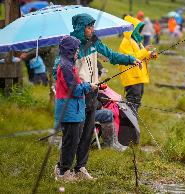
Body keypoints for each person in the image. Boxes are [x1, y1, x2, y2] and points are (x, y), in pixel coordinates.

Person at [53, 13, 141, 179]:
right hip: (78, 96)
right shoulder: (71, 46)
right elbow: (57, 71)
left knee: (87, 135)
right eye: (89, 26)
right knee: (75, 136)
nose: (92, 29)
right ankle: (63, 169)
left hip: (93, 93)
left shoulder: (94, 41)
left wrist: (131, 59)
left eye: (93, 26)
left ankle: (80, 168)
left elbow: (112, 55)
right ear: (81, 27)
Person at [54, 35, 96, 181]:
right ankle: (63, 173)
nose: (78, 51)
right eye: (76, 49)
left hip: (74, 110)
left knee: (71, 142)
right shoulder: (65, 66)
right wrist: (88, 86)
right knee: (70, 143)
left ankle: (62, 169)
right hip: (69, 111)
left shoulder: (68, 65)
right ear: (70, 49)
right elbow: (74, 90)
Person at [118, 15, 157, 114]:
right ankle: (128, 123)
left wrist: (150, 54)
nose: (139, 31)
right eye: (138, 29)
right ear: (132, 29)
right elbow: (132, 58)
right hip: (132, 77)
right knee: (133, 100)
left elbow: (141, 55)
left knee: (137, 100)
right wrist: (145, 51)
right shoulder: (126, 42)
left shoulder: (136, 41)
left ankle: (132, 122)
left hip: (138, 76)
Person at [94, 61, 127, 152]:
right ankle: (109, 144)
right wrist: (100, 105)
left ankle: (114, 142)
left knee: (108, 112)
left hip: (86, 111)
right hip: (83, 113)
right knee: (107, 113)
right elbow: (88, 101)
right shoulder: (86, 83)